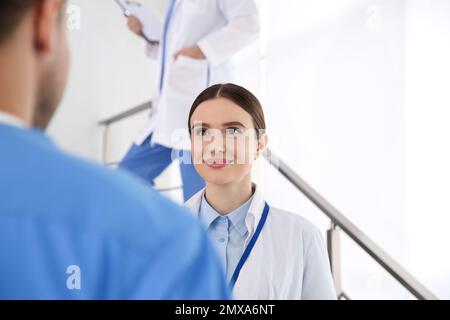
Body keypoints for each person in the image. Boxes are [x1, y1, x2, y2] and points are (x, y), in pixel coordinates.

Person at [0, 0, 229, 300]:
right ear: (46, 18)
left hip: (189, 112)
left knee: (200, 198)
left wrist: (196, 49)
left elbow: (246, 25)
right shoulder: (171, 245)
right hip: (170, 118)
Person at [185, 83, 337, 300]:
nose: (216, 146)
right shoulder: (157, 234)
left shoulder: (302, 237)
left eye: (233, 131)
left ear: (259, 144)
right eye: (202, 131)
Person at [120, 0, 260, 201]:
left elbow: (249, 23)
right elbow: (176, 48)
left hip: (201, 115)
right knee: (127, 178)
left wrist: (200, 50)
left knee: (200, 201)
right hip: (167, 114)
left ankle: (191, 228)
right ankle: (172, 225)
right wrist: (146, 33)